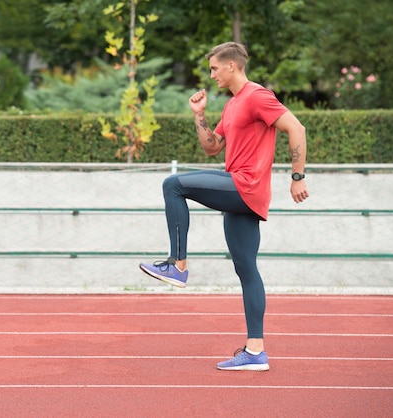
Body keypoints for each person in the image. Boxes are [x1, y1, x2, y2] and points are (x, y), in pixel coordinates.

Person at [139, 42, 309, 371]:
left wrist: (298, 176)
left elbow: (296, 128)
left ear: (232, 66)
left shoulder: (258, 96)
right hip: (241, 193)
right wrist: (199, 115)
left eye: (215, 68)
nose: (211, 74)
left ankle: (178, 265)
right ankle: (256, 351)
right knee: (246, 270)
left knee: (172, 184)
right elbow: (212, 148)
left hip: (245, 186)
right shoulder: (232, 106)